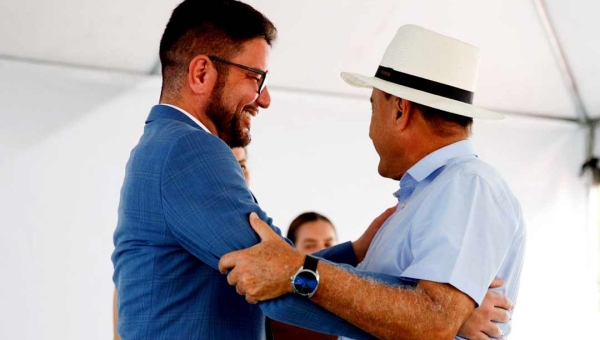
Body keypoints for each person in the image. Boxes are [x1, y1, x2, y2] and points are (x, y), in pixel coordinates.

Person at [112, 1, 398, 338]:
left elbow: (278, 264)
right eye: (255, 78)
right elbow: (275, 279)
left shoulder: (161, 145)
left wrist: (356, 250)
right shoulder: (190, 149)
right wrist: (419, 322)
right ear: (201, 73)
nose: (264, 99)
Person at [219, 24, 525, 340]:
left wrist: (299, 269)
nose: (369, 128)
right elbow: (419, 315)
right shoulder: (436, 193)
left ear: (400, 111)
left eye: (373, 106)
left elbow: (434, 323)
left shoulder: (468, 186)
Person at [267, 212, 339, 340]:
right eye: (310, 245)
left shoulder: (350, 298)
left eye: (328, 245)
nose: (323, 251)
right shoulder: (277, 309)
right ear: (293, 251)